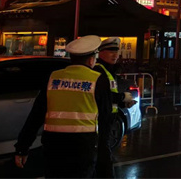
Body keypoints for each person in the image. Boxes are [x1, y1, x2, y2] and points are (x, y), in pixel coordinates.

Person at [14, 35, 113, 178]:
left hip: (53, 146)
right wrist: (104, 156)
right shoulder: (98, 79)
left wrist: (22, 147)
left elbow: (36, 115)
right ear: (91, 59)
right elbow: (105, 119)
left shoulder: (53, 77)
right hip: (83, 146)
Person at [93, 37, 136, 178]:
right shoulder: (98, 71)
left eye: (116, 51)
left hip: (108, 120)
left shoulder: (109, 70)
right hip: (98, 120)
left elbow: (108, 97)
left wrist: (123, 103)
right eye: (111, 51)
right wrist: (122, 97)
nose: (115, 55)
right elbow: (103, 95)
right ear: (100, 53)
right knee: (103, 160)